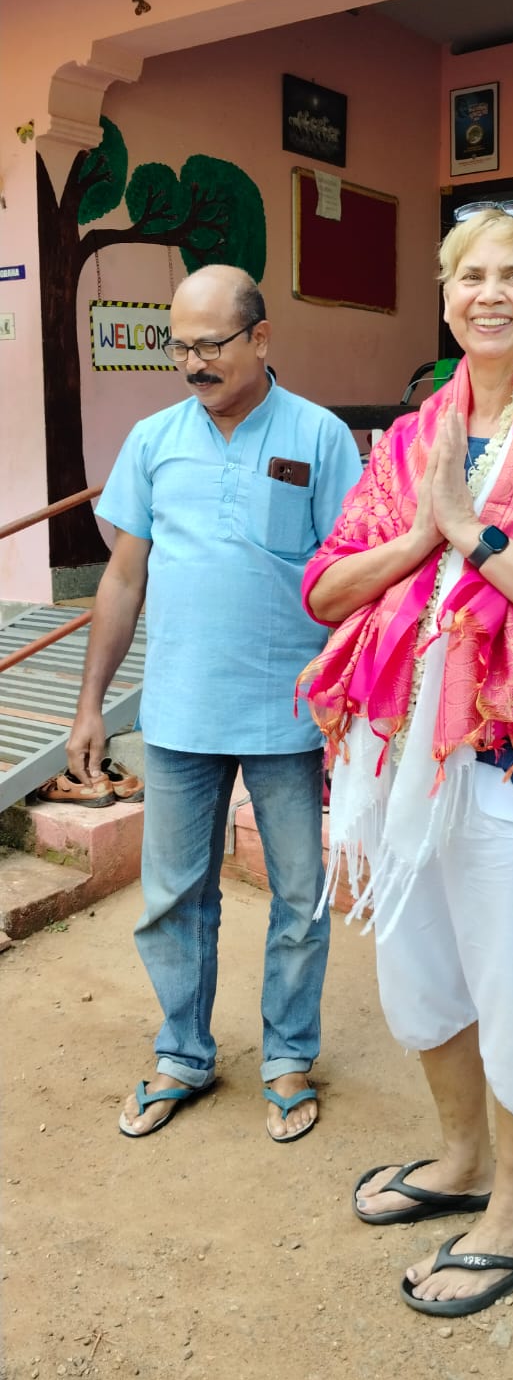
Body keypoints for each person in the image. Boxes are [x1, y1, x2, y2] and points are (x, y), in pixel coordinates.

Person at [298, 199, 513, 1318]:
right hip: (400, 759)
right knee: (420, 977)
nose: (488, 292)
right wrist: (423, 528)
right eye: (469, 275)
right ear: (446, 296)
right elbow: (324, 588)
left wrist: (477, 537)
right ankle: (458, 1164)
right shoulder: (410, 442)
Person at [66, 264, 361, 1142]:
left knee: (300, 896)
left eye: (210, 344)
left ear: (261, 339)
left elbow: (350, 576)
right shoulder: (155, 440)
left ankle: (287, 1056)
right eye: (179, 345)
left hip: (288, 711)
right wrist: (92, 706)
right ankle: (184, 1053)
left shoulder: (320, 436)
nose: (192, 363)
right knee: (172, 896)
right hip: (182, 713)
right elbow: (123, 579)